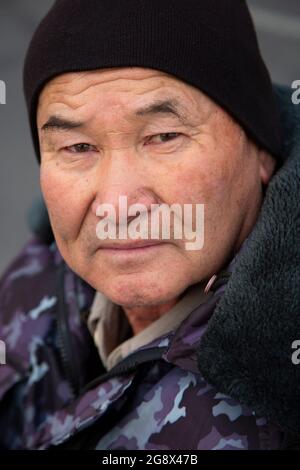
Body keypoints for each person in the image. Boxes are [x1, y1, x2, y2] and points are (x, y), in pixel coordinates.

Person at [0, 0, 299, 450]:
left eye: (165, 137)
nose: (117, 206)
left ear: (260, 147)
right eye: (78, 147)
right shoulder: (37, 271)